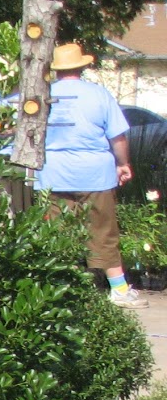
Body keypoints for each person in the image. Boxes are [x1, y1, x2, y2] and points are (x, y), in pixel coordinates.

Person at [36, 42, 141, 306]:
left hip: (53, 174)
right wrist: (123, 163)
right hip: (95, 174)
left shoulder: (42, 95)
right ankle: (119, 290)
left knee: (56, 232)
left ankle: (59, 290)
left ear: (57, 70)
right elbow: (117, 136)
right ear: (82, 66)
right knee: (103, 231)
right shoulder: (99, 94)